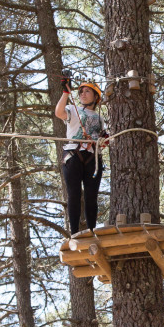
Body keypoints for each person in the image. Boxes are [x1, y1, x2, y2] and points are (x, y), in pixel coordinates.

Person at [54, 75, 108, 236]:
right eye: (81, 92)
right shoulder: (73, 110)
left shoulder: (100, 119)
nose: (83, 94)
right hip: (73, 154)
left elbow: (104, 142)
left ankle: (91, 231)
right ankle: (75, 233)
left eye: (87, 91)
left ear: (96, 96)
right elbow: (59, 113)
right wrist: (65, 93)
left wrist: (102, 140)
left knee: (91, 197)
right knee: (74, 194)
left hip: (93, 157)